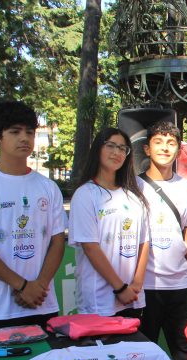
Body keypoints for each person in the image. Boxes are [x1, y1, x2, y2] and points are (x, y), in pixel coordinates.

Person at [0, 100, 66, 331]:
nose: (24, 138)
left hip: (42, 304)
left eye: (29, 132)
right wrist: (22, 285)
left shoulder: (48, 187)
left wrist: (39, 286)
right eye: (15, 132)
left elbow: (57, 242)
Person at [138, 121, 187, 360]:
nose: (165, 148)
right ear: (147, 149)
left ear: (178, 149)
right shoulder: (132, 186)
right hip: (144, 289)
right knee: (141, 355)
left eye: (171, 143)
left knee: (185, 353)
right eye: (159, 142)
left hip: (180, 288)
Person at [68, 128, 149, 317]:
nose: (117, 153)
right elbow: (90, 247)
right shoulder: (85, 194)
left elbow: (144, 242)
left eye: (122, 149)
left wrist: (136, 283)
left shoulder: (134, 195)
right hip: (99, 302)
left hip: (133, 299)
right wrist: (120, 288)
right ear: (98, 149)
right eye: (110, 146)